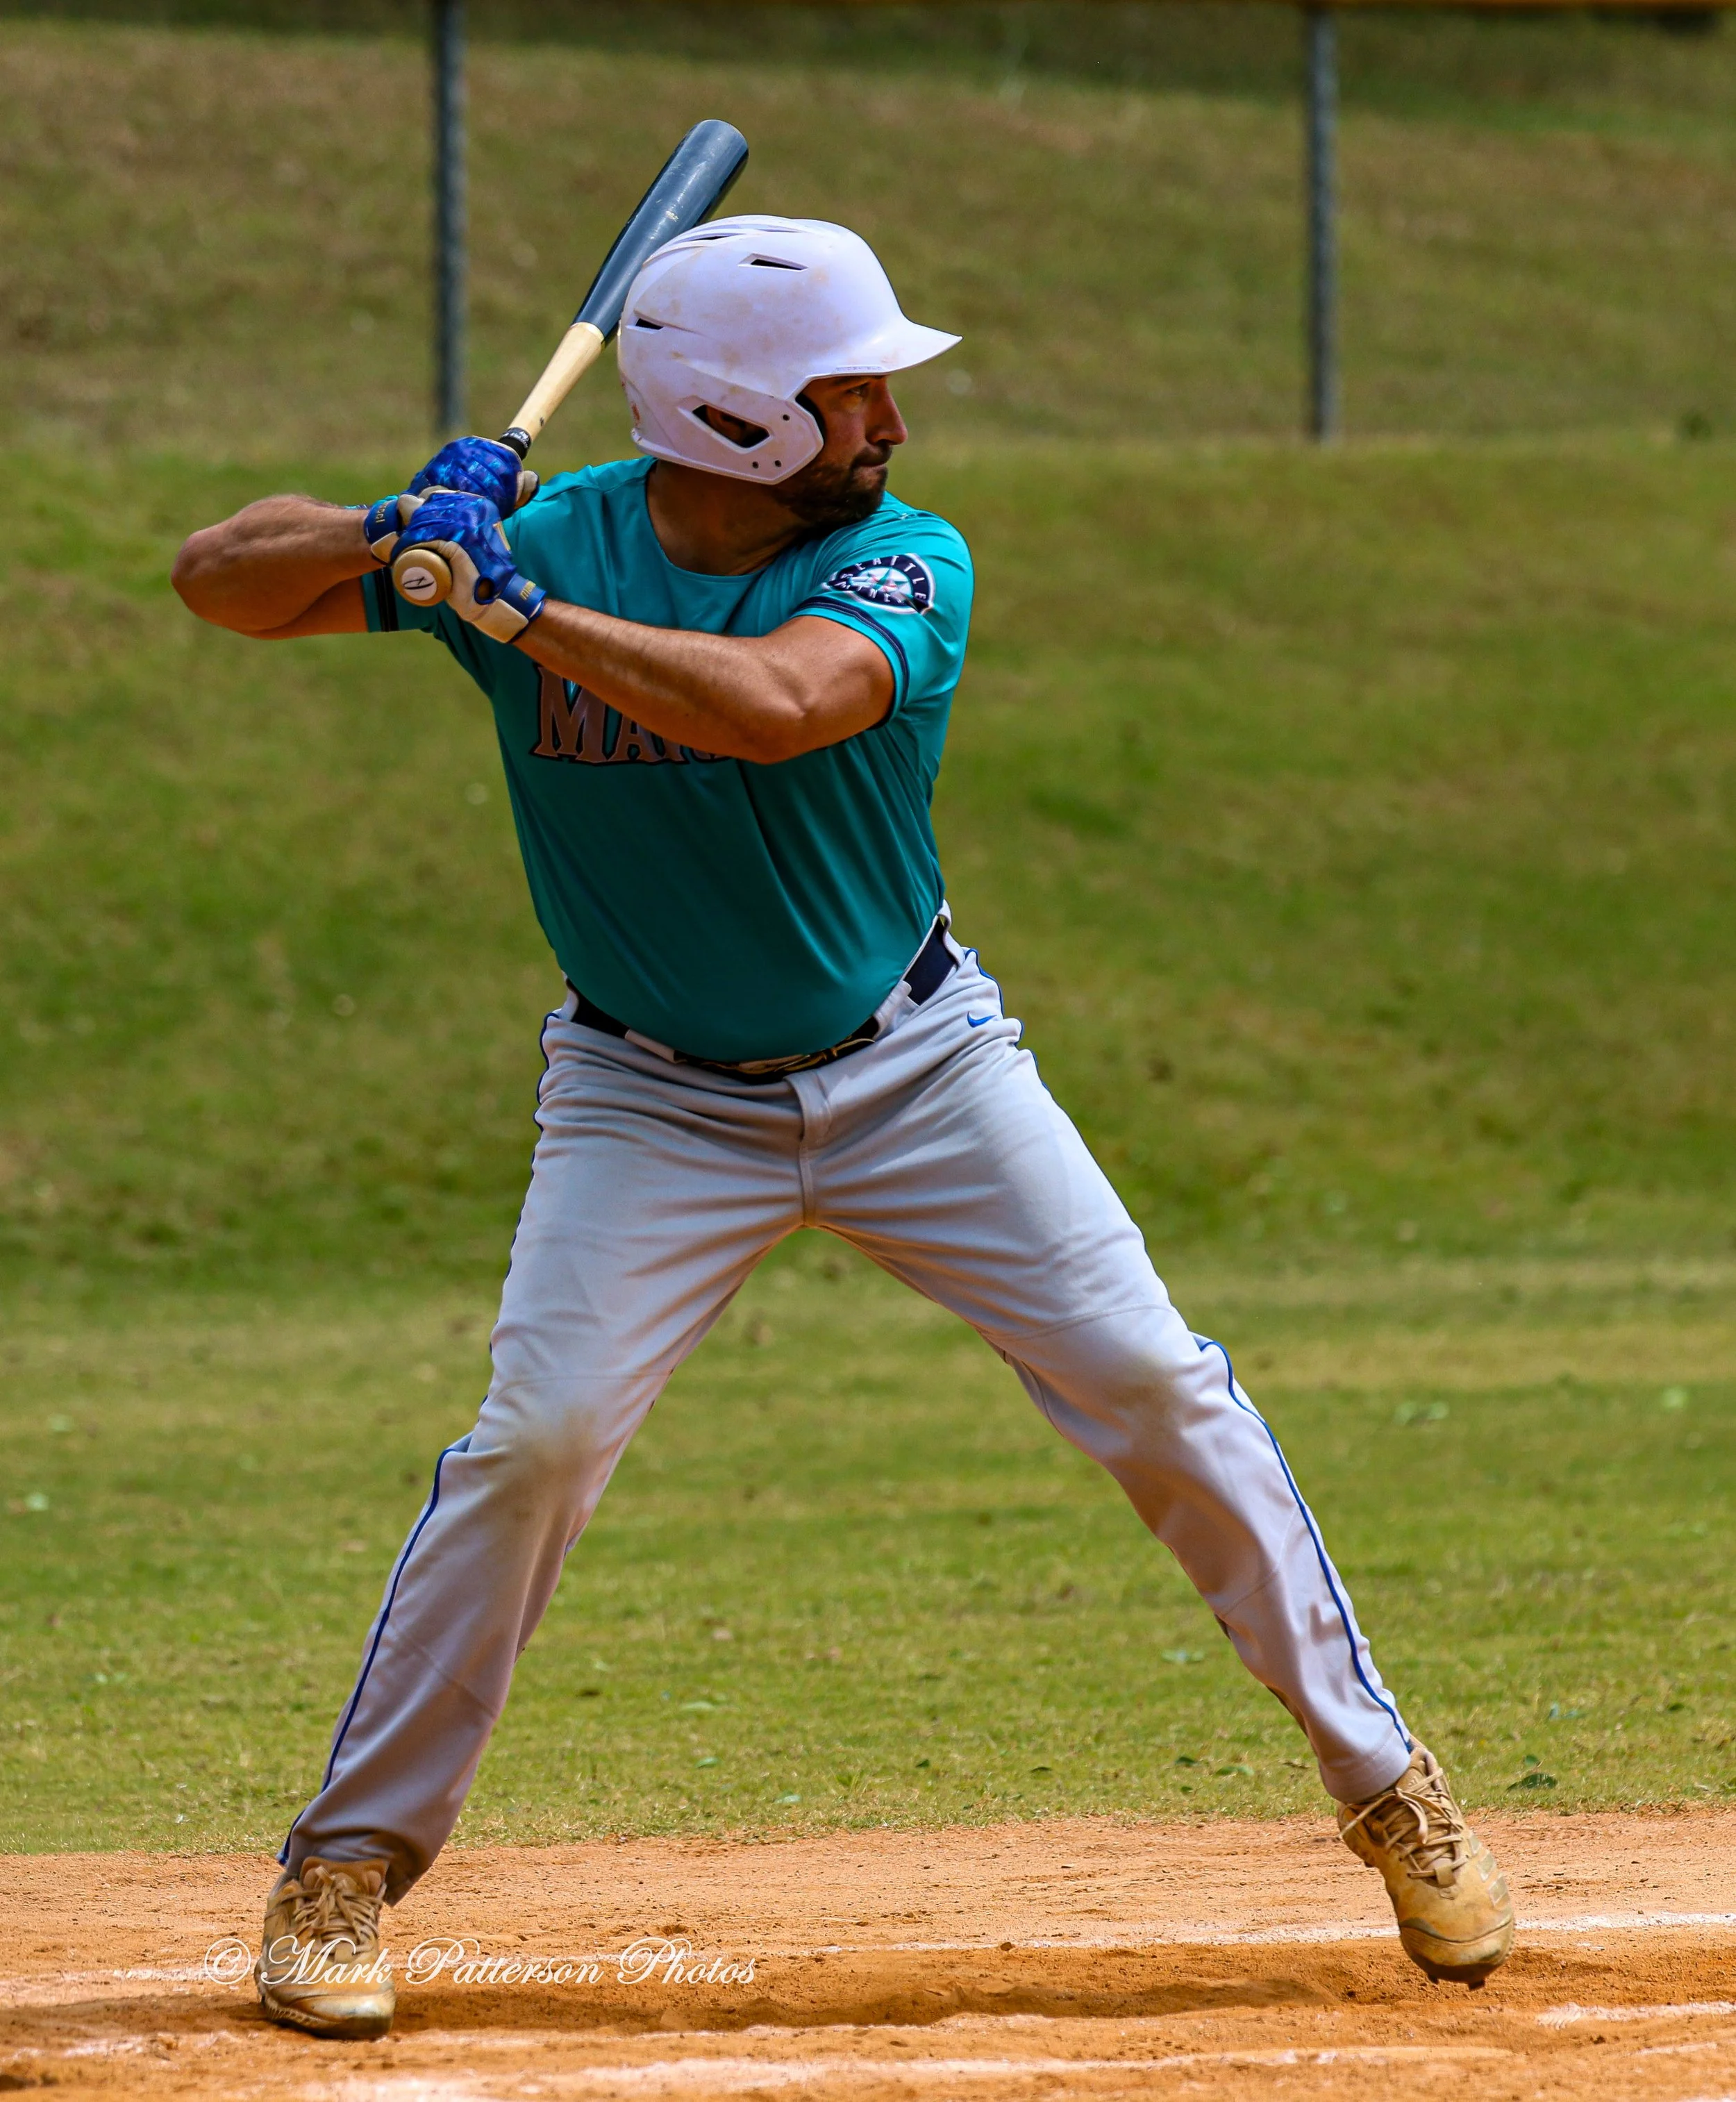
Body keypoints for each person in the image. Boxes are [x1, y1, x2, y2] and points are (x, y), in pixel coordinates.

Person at [172, 215, 1513, 2042]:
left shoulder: (902, 563)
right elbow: (214, 579)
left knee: (1154, 1387)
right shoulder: (542, 540)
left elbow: (774, 709)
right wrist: (388, 533)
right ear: (724, 422)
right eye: (841, 390)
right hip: (648, 1094)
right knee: (535, 1443)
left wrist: (504, 608)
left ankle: (1384, 1787)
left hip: (919, 1073)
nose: (883, 419)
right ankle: (343, 1869)